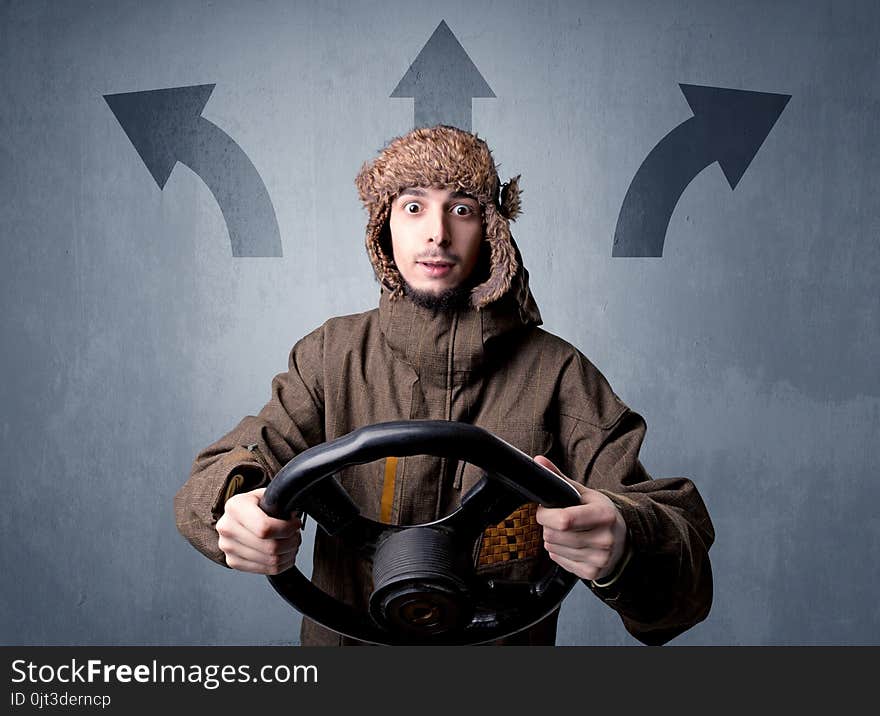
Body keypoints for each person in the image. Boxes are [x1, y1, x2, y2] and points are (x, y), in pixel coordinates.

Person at [174, 124, 714, 646]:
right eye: (413, 207)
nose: (437, 233)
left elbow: (684, 582)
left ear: (493, 231)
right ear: (384, 226)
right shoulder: (329, 357)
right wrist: (235, 507)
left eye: (462, 209)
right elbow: (219, 471)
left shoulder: (559, 375)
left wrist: (624, 541)